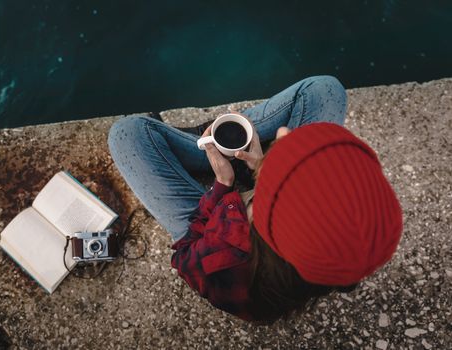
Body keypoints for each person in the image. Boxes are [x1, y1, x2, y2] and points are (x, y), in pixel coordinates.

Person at [107, 76, 403, 324]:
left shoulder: (227, 262)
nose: (284, 135)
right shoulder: (336, 257)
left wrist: (223, 184)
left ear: (266, 211)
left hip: (214, 215)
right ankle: (220, 142)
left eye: (284, 157)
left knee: (127, 134)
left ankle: (205, 144)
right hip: (259, 202)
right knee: (326, 89)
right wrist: (265, 166)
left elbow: (185, 255)